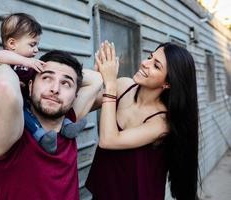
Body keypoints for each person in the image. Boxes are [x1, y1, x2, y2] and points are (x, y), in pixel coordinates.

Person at [85, 41, 200, 200]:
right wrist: (97, 77)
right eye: (149, 57)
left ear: (168, 83)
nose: (145, 63)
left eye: (156, 66)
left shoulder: (161, 122)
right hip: (103, 192)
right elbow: (82, 107)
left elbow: (108, 140)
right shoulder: (123, 85)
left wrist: (110, 84)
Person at [0, 49, 103, 199]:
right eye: (47, 78)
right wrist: (25, 66)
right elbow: (3, 85)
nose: (55, 89)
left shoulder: (69, 118)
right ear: (31, 85)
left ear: (75, 97)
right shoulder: (12, 131)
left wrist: (68, 73)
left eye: (66, 83)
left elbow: (96, 79)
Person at [0, 13, 87, 154]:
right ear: (12, 44)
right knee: (27, 115)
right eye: (32, 44)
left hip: (29, 98)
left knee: (53, 103)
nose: (36, 50)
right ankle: (40, 135)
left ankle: (67, 126)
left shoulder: (29, 62)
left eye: (37, 45)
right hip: (16, 105)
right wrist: (26, 62)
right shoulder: (6, 60)